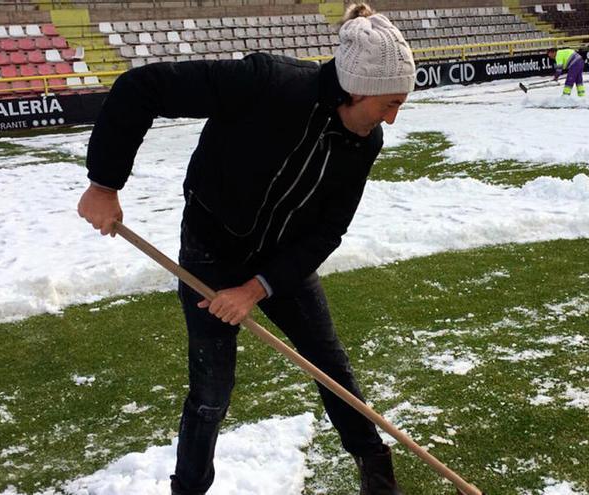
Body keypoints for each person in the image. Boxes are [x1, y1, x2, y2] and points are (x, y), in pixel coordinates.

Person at [76, 4, 414, 494]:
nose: (392, 118)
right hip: (210, 252)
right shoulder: (266, 83)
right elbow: (141, 87)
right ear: (358, 89)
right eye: (389, 104)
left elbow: (328, 231)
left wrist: (256, 288)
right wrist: (104, 184)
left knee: (330, 365)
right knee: (211, 392)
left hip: (282, 260)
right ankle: (189, 488)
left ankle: (378, 475)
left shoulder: (364, 141)